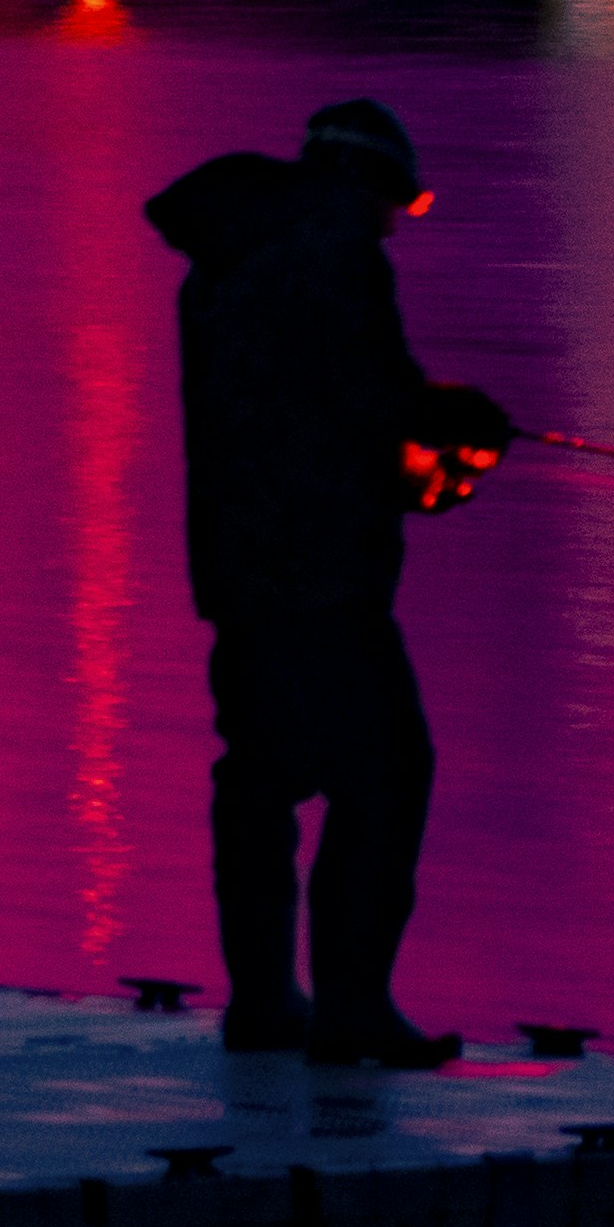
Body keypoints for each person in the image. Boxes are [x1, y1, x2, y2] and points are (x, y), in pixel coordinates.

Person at [143, 100, 514, 1068]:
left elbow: (292, 414)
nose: (394, 224)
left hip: (235, 565)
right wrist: (456, 417)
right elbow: (370, 399)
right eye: (398, 203)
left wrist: (418, 459)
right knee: (387, 774)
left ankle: (263, 1002)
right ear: (359, 181)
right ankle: (353, 1009)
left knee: (259, 779)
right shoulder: (336, 251)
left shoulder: (226, 255)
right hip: (321, 575)